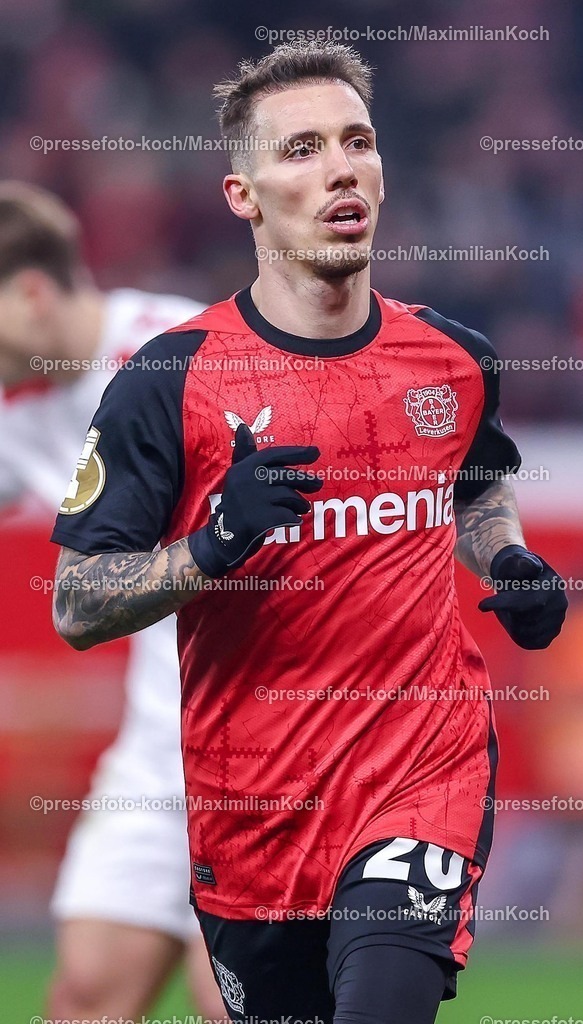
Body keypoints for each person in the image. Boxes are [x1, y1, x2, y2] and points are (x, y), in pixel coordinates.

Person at [50, 41, 567, 1024]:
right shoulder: (169, 379)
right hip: (253, 807)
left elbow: (475, 481)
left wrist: (507, 556)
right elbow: (78, 599)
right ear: (242, 194)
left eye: (356, 141)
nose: (339, 167)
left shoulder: (454, 358)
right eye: (302, 149)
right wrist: (210, 545)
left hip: (422, 768)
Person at [0, 182, 227, 1022]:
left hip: (261, 742)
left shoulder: (186, 353)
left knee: (237, 1000)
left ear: (29, 294)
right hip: (156, 753)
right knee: (85, 998)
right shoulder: (21, 403)